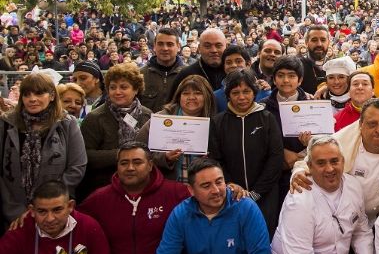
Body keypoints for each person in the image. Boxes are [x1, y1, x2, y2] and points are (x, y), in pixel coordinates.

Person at [291, 98, 379, 225]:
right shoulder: (343, 139)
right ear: (360, 124)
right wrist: (299, 171)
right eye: (372, 124)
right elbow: (307, 162)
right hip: (342, 217)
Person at [79, 142, 191, 254]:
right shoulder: (98, 200)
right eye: (124, 163)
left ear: (150, 165)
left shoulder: (177, 193)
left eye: (137, 162)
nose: (130, 168)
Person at [269, 136, 373, 254]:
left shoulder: (353, 186)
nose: (329, 169)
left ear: (343, 161)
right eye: (321, 163)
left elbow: (361, 229)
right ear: (310, 166)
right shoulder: (299, 201)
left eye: (334, 161)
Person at [154, 158, 271, 254]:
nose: (215, 190)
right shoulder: (181, 214)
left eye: (219, 182)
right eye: (206, 186)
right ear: (191, 190)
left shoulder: (245, 207)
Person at [0, 72, 87, 228]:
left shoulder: (67, 123)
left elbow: (77, 167)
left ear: (52, 96)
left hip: (54, 212)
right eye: (27, 94)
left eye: (39, 93)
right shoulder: (6, 124)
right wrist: (15, 211)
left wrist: (45, 206)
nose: (32, 99)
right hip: (13, 216)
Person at [208, 68, 284, 234]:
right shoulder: (218, 122)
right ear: (228, 95)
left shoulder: (267, 118)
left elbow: (275, 158)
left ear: (254, 92)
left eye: (246, 91)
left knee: (264, 237)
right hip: (231, 195)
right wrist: (230, 185)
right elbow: (215, 159)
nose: (241, 97)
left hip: (266, 195)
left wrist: (256, 193)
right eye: (235, 92)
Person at [79, 62, 153, 200]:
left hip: (143, 188)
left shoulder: (147, 115)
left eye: (123, 87)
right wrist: (122, 155)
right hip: (104, 188)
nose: (117, 92)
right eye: (112, 87)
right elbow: (85, 156)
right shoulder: (95, 118)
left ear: (136, 89)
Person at [136, 75, 217, 182]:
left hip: (204, 186)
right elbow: (138, 148)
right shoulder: (161, 119)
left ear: (207, 96)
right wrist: (165, 158)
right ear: (179, 97)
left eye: (198, 93)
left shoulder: (216, 122)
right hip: (168, 186)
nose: (191, 97)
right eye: (186, 93)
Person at [168, 27, 227, 97]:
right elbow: (172, 105)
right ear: (199, 48)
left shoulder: (233, 73)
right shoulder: (186, 75)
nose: (213, 50)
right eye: (207, 46)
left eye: (218, 46)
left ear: (226, 47)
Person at [140, 27, 185, 113]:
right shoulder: (140, 75)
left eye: (170, 44)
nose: (165, 48)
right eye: (160, 44)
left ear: (178, 47)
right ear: (154, 46)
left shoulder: (188, 75)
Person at [213, 45, 268, 113]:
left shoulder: (265, 92)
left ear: (248, 64)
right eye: (228, 62)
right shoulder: (216, 97)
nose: (233, 65)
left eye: (238, 61)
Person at [300, 25, 332, 95]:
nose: (319, 44)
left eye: (323, 40)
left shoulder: (335, 65)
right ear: (306, 42)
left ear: (328, 42)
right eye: (314, 40)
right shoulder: (297, 65)